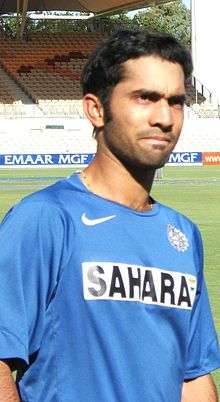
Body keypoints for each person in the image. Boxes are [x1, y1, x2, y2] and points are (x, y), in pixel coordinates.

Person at [0, 29, 219, 402]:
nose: (165, 118)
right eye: (145, 98)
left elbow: (193, 375)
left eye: (177, 101)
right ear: (96, 109)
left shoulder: (182, 234)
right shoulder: (44, 219)